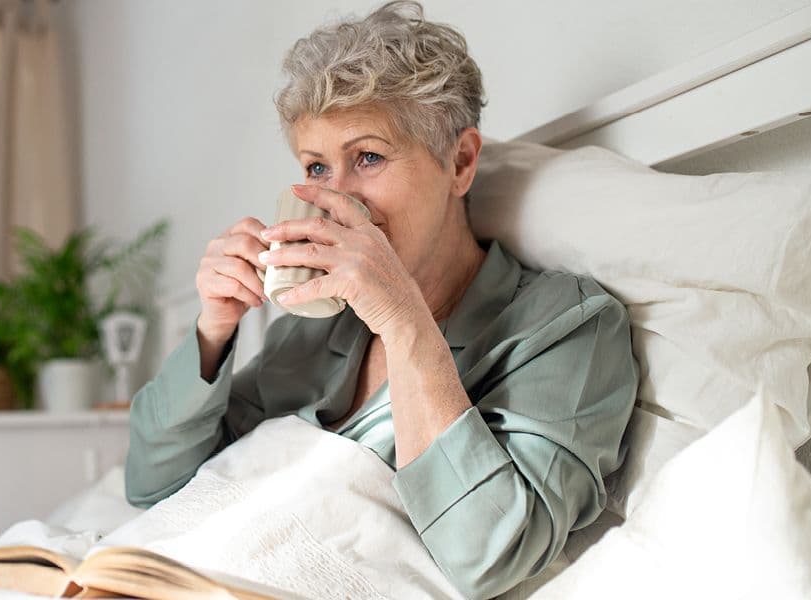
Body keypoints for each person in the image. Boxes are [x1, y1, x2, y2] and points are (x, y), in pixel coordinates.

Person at [124, 1, 637, 597]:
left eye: (367, 157)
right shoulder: (315, 324)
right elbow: (152, 485)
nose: (336, 197)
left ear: (461, 162)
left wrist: (403, 321)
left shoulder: (568, 326)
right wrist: (214, 331)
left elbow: (489, 557)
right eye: (316, 167)